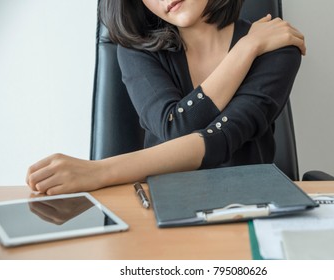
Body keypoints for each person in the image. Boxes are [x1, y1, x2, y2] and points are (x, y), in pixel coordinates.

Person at [26, 0, 306, 195]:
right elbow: (173, 127)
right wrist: (246, 48)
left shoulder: (277, 47)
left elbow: (212, 136)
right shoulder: (137, 50)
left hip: (251, 208)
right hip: (162, 211)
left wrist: (99, 172)